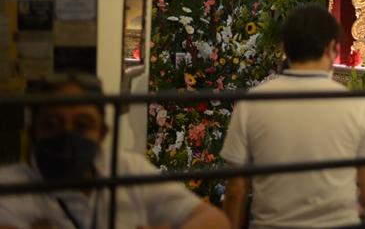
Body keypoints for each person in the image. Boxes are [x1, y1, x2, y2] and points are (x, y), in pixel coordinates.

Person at [221, 4, 365, 228]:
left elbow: (236, 190)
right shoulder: (356, 105)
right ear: (331, 48)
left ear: (285, 48)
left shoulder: (252, 103)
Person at [0, 71, 229, 228]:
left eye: (82, 125)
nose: (67, 135)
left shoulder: (126, 169)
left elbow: (214, 221)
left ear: (102, 133)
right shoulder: (10, 187)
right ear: (32, 132)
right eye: (52, 124)